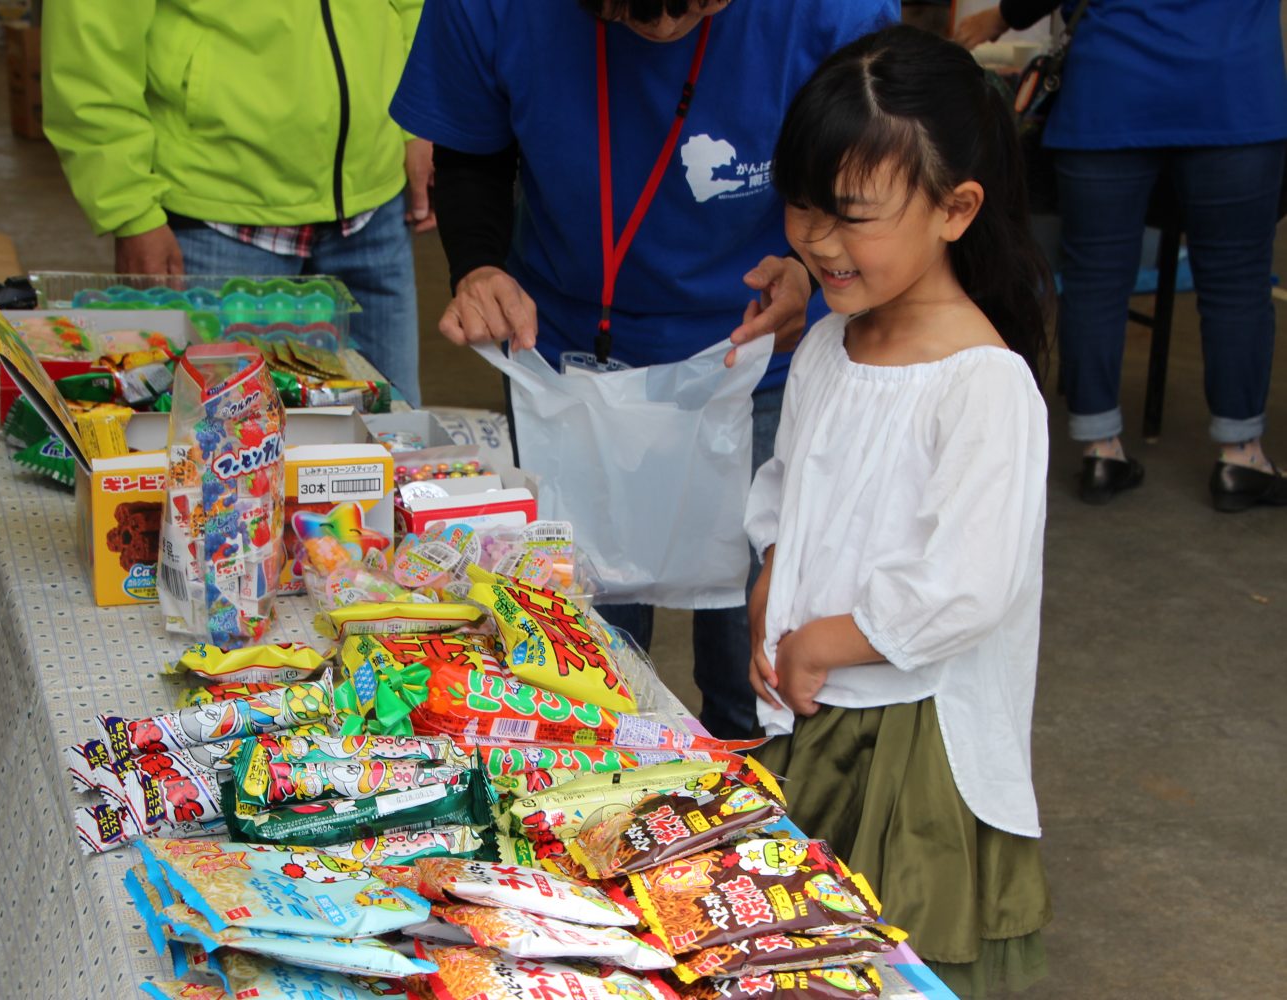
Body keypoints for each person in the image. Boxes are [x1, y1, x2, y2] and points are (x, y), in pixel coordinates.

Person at [389, 0, 896, 739]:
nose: (661, 29)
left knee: (756, 665)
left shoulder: (827, 13)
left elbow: (876, 173)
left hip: (755, 350)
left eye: (694, 5)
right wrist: (479, 266)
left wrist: (812, 269)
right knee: (582, 661)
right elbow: (471, 146)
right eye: (626, 11)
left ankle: (749, 794)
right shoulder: (493, 10)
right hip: (564, 358)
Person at [744, 26, 1052, 996]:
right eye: (803, 206)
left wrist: (824, 640)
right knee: (797, 952)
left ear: (956, 209)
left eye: (853, 216)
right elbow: (790, 491)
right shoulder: (829, 345)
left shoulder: (984, 385)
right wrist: (771, 583)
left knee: (890, 959)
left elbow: (967, 586)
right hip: (816, 710)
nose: (818, 241)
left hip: (919, 745)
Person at [956, 0, 1287, 509]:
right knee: (1237, 282)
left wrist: (1003, 16)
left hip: (1110, 87)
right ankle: (1242, 457)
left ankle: (1100, 452)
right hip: (1233, 87)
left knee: (1095, 278)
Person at [42, 1, 432, 407]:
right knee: (213, 436)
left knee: (395, 432)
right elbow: (90, 40)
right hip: (216, 218)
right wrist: (129, 207)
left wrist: (421, 119)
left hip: (376, 207)